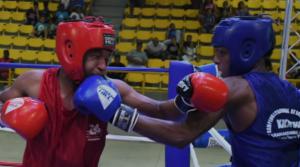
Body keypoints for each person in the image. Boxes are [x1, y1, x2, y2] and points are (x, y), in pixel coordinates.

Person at [73, 16, 300, 167]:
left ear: (247, 52)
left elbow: (180, 135)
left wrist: (114, 113)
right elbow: (164, 110)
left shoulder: (234, 88)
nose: (215, 59)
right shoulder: (291, 91)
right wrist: (181, 102)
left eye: (221, 52)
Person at [1, 16, 222, 167]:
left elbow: (160, 110)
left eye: (106, 58)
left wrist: (187, 99)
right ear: (71, 51)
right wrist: (13, 113)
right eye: (96, 56)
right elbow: (2, 104)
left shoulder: (114, 88)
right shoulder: (34, 83)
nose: (103, 66)